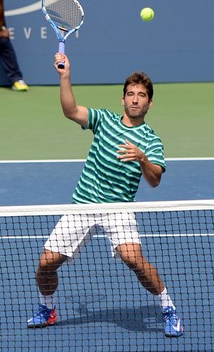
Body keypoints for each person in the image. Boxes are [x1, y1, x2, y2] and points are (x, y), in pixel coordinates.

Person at [26, 53, 183, 338]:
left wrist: (142, 159)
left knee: (133, 259)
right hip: (84, 203)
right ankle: (47, 308)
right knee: (45, 265)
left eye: (142, 95)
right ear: (122, 100)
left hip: (118, 209)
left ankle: (168, 308)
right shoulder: (104, 120)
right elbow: (71, 111)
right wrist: (65, 77)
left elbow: (155, 180)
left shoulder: (151, 139)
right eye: (131, 94)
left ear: (149, 102)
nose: (135, 99)